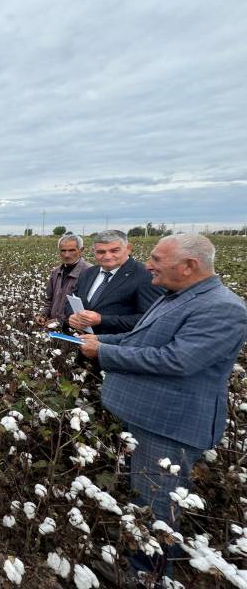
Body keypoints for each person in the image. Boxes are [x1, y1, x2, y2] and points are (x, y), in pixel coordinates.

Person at [79, 235, 247, 582]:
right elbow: (143, 337)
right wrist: (102, 341)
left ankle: (148, 575)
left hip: (170, 423)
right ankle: (139, 556)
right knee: (147, 495)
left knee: (158, 502)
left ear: (189, 266)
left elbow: (178, 360)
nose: (148, 265)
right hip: (150, 417)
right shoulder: (177, 295)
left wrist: (105, 353)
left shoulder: (222, 308)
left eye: (156, 259)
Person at [67, 230, 162, 334]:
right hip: (83, 342)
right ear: (94, 251)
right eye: (101, 252)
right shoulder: (88, 272)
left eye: (114, 251)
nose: (107, 256)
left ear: (128, 249)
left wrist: (102, 320)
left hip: (119, 346)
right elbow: (71, 300)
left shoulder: (145, 275)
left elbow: (151, 318)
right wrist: (72, 316)